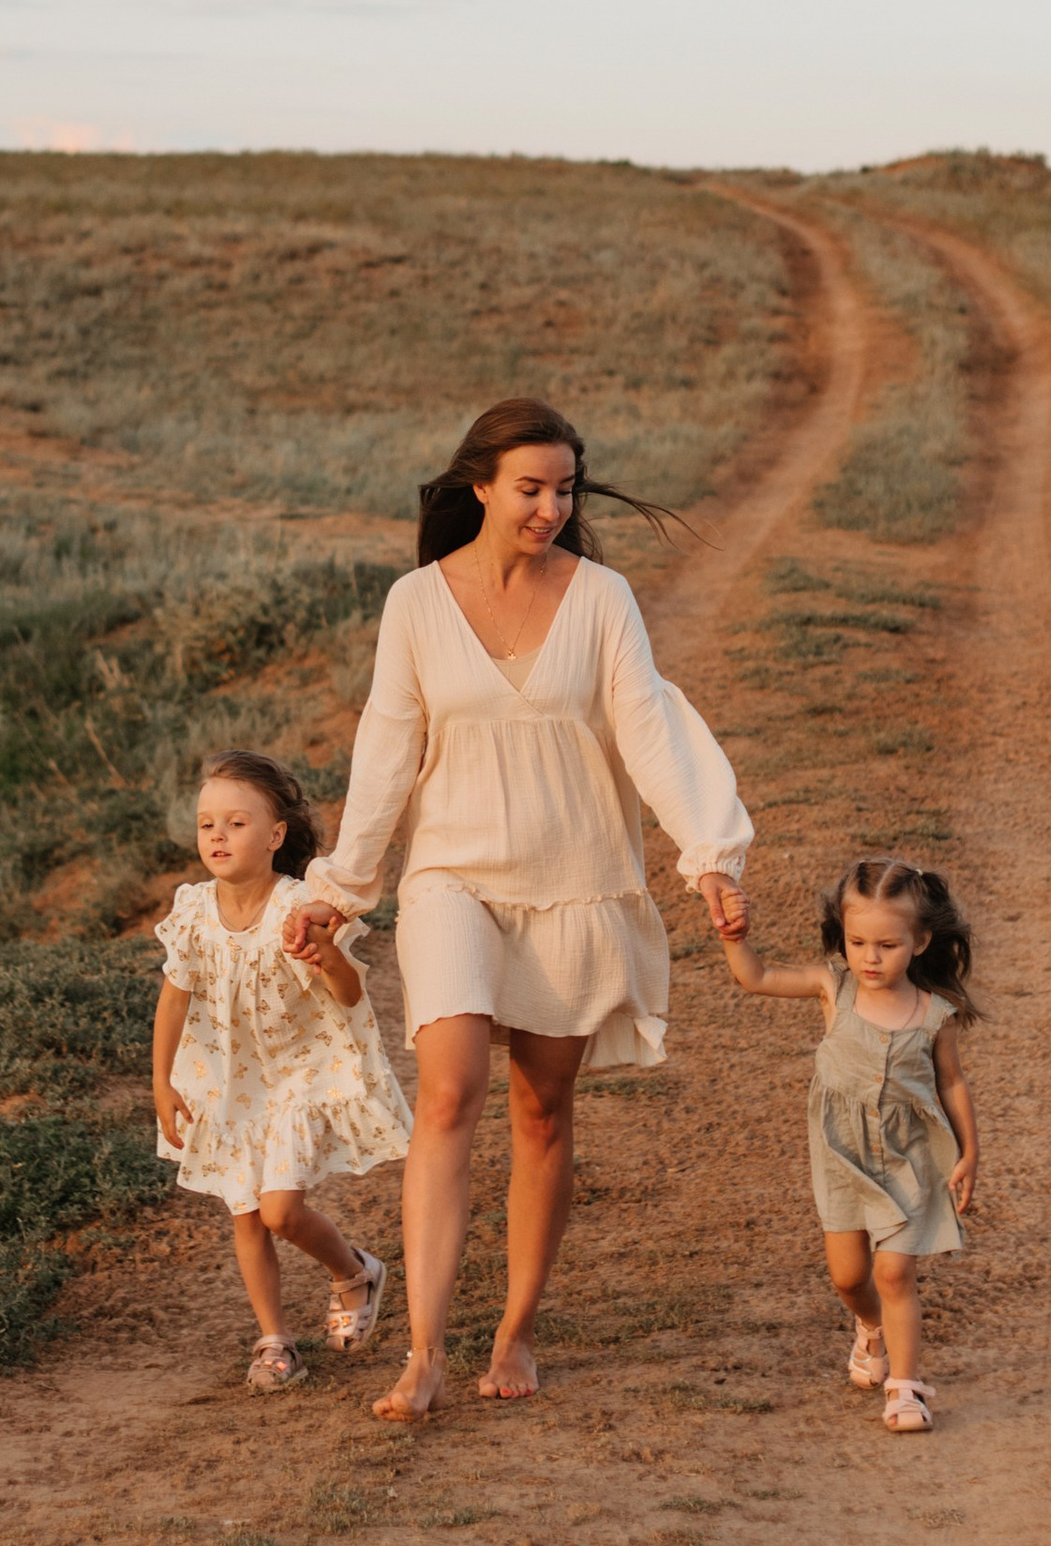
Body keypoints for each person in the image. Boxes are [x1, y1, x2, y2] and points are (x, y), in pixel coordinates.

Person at [284, 396, 750, 1425]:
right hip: (451, 876)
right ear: (480, 486)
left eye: (564, 489)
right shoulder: (415, 603)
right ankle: (425, 1354)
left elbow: (648, 732)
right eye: (530, 488)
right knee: (447, 1095)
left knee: (542, 1110)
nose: (549, 507)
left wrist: (706, 854)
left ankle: (517, 1329)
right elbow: (386, 751)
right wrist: (340, 891)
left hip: (573, 880)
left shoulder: (602, 598)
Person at [150, 752, 410, 1392]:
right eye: (207, 823)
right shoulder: (192, 910)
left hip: (298, 1075)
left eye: (236, 823)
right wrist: (162, 1081)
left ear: (275, 836)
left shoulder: (301, 907)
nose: (217, 835)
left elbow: (349, 995)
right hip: (225, 1079)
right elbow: (175, 995)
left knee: (279, 1211)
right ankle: (275, 1341)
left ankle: (354, 1272)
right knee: (245, 1212)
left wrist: (325, 953)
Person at [718, 854, 979, 1435]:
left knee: (894, 1274)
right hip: (841, 1158)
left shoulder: (936, 1015)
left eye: (886, 945)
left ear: (920, 941)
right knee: (848, 1276)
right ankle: (870, 1330)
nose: (869, 957)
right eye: (857, 941)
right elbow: (754, 976)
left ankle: (905, 1389)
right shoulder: (830, 987)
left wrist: (969, 1153)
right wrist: (736, 937)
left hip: (909, 1157)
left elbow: (953, 1083)